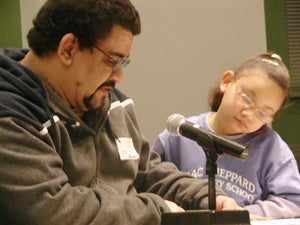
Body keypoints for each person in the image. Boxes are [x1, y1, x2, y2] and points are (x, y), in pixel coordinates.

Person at [0, 0, 241, 224]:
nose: (119, 77)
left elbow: (146, 172)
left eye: (123, 63)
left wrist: (204, 197)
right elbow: (52, 208)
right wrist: (155, 210)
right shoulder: (11, 114)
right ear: (68, 49)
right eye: (111, 61)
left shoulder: (111, 102)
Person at [153, 53, 300, 219]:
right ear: (227, 81)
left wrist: (241, 214)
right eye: (247, 99)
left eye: (263, 113)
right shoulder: (178, 136)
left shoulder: (272, 148)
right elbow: (150, 182)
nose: (249, 114)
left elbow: (294, 201)